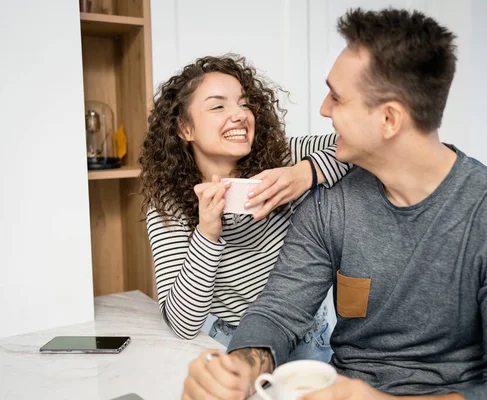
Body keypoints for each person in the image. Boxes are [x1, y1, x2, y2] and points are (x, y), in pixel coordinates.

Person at [182, 7, 487, 400]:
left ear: (389, 119)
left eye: (337, 97)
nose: (323, 109)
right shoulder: (331, 204)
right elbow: (278, 312)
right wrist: (239, 369)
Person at [139, 54, 351, 362]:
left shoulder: (284, 157)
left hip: (307, 336)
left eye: (243, 103)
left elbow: (358, 145)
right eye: (218, 106)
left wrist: (301, 175)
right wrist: (207, 233)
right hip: (231, 343)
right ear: (185, 128)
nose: (239, 114)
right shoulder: (169, 206)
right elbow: (182, 324)